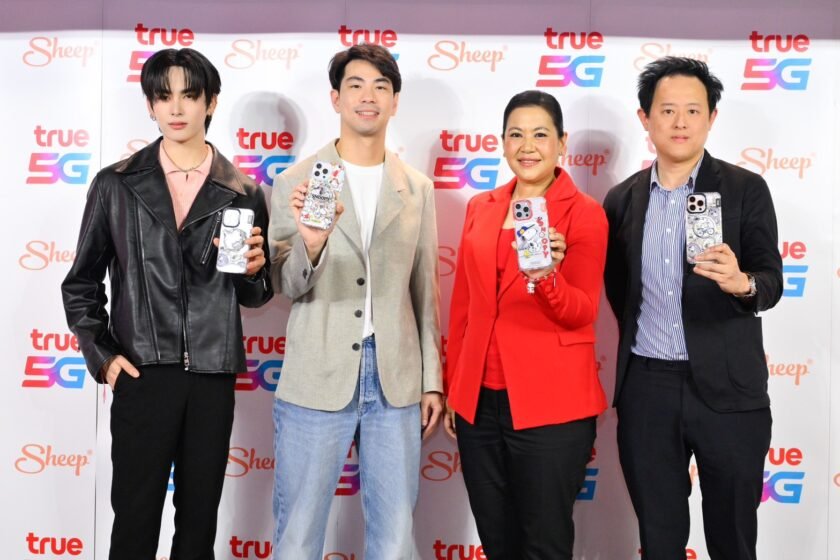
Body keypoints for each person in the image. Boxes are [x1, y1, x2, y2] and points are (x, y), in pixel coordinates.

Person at [61, 47, 272, 559]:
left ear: (211, 102)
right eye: (163, 96)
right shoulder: (115, 184)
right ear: (150, 105)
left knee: (198, 526)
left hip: (211, 376)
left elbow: (255, 295)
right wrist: (104, 357)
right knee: (134, 523)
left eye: (189, 95)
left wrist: (254, 271)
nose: (175, 107)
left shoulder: (243, 190)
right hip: (141, 372)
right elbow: (81, 283)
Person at [602, 57, 783, 560]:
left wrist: (741, 282)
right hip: (647, 390)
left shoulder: (745, 189)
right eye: (667, 110)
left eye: (693, 110)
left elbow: (770, 282)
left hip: (730, 389)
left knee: (733, 537)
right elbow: (619, 290)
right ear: (645, 118)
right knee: (659, 539)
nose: (680, 122)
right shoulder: (621, 199)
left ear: (711, 117)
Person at [267, 43, 443, 559]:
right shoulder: (295, 182)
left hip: (395, 379)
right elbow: (284, 283)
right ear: (336, 98)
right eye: (356, 86)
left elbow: (425, 292)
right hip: (316, 374)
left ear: (395, 101)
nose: (368, 97)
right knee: (298, 533)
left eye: (380, 87)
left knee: (395, 538)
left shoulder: (417, 188)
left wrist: (432, 379)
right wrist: (311, 244)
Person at [444, 90, 608, 560]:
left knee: (545, 544)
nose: (527, 146)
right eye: (516, 134)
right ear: (502, 143)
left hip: (552, 407)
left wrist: (547, 278)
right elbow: (465, 306)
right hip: (479, 405)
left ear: (561, 143)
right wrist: (457, 385)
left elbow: (581, 311)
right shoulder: (481, 206)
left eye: (540, 134)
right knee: (497, 540)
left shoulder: (584, 213)